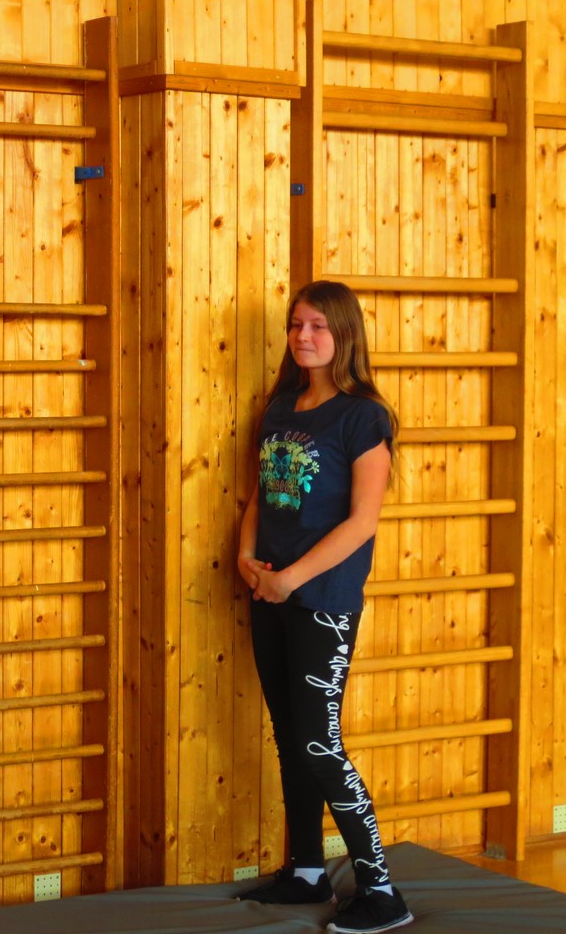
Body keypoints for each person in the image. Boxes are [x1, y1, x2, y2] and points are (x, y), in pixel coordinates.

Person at [235, 280, 411, 933]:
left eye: (317, 326)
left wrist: (292, 579)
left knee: (319, 743)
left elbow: (363, 521)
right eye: (296, 324)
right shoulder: (282, 407)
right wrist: (247, 558)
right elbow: (262, 494)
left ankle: (381, 891)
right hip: (270, 594)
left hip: (322, 601)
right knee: (291, 738)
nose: (303, 336)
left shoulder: (364, 417)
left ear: (344, 334)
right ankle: (307, 869)